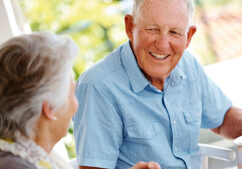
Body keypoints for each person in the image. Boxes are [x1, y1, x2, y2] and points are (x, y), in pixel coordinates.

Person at [73, 0, 242, 168]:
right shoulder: (97, 87)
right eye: (152, 29)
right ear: (130, 27)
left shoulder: (187, 64)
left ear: (189, 36)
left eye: (174, 32)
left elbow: (223, 119)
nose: (163, 44)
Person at [0, 32, 161, 169]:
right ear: (50, 107)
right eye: (72, 93)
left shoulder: (29, 156)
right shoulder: (14, 165)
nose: (76, 105)